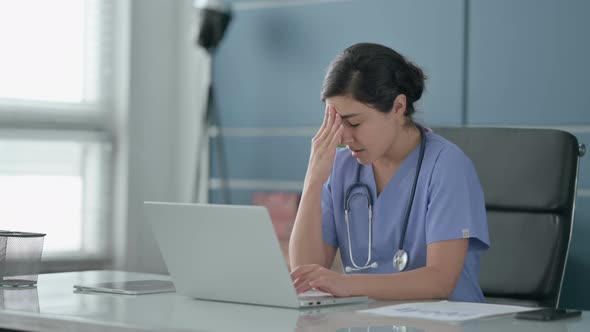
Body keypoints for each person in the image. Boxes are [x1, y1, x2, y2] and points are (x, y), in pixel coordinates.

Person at [288, 43, 490, 302]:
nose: (343, 138)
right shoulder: (339, 167)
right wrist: (313, 180)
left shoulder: (446, 166)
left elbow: (440, 281)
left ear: (398, 107)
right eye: (337, 123)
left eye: (354, 123)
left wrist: (348, 284)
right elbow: (305, 276)